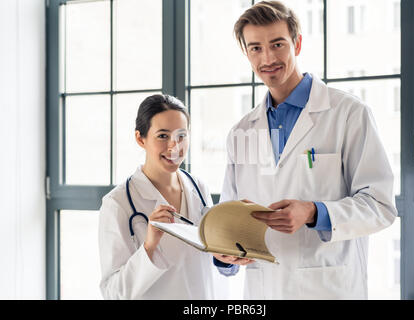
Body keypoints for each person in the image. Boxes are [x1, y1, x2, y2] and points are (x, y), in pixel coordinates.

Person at [213, 1, 398, 299]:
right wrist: (223, 255)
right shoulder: (241, 131)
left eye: (277, 44)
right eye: (255, 48)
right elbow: (230, 220)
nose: (268, 58)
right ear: (246, 54)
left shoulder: (348, 113)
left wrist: (314, 212)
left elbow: (380, 205)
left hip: (327, 286)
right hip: (263, 290)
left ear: (297, 43)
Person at [98, 94, 217, 299]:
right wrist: (149, 246)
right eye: (163, 136)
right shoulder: (118, 204)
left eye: (181, 135)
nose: (174, 146)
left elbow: (204, 260)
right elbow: (113, 293)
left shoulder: (199, 188)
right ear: (140, 138)